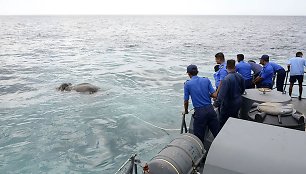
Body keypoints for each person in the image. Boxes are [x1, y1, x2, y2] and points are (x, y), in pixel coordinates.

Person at [183, 65, 220, 142]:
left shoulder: (187, 84)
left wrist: (186, 110)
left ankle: (202, 152)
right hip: (210, 110)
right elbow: (215, 95)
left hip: (200, 113)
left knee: (199, 138)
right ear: (197, 72)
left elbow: (186, 101)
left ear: (189, 74)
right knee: (217, 134)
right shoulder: (206, 80)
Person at [216, 60, 245, 127]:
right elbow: (243, 89)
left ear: (226, 67)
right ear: (235, 67)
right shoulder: (240, 76)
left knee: (223, 121)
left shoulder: (226, 79)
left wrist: (215, 104)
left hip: (229, 104)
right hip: (238, 101)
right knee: (234, 118)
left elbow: (221, 96)